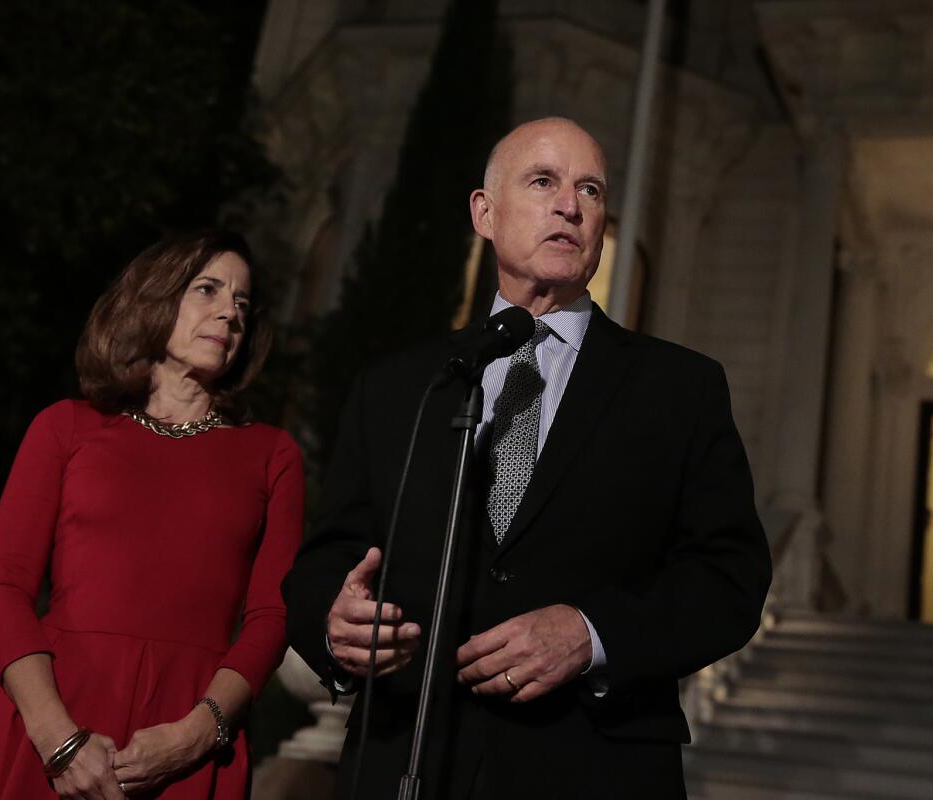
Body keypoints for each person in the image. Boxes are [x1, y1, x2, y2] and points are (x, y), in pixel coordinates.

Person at [282, 117, 771, 799]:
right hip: (410, 758)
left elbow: (729, 579)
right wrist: (335, 623)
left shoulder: (679, 388)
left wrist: (592, 633)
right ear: (485, 212)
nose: (570, 205)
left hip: (592, 767)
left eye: (591, 190)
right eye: (543, 181)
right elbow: (326, 561)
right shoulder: (398, 386)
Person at [0, 231, 305, 799]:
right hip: (49, 724)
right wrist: (57, 738)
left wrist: (199, 732)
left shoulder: (271, 454)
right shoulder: (67, 427)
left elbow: (273, 615)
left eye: (242, 303)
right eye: (208, 289)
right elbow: (5, 587)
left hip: (185, 739)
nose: (230, 312)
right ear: (155, 298)